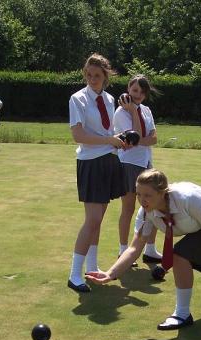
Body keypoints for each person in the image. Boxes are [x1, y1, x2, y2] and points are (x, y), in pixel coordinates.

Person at [86, 169, 201, 330]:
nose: (142, 201)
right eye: (138, 194)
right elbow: (135, 248)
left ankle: (182, 314)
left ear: (162, 193)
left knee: (179, 253)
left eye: (148, 195)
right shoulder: (147, 212)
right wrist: (110, 274)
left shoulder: (189, 199)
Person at [67, 53, 126, 293]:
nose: (92, 79)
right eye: (89, 75)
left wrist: (120, 139)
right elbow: (78, 136)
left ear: (106, 76)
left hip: (109, 159)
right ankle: (74, 274)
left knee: (98, 219)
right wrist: (108, 139)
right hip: (90, 162)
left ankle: (91, 266)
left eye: (97, 75)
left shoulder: (110, 99)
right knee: (92, 220)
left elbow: (110, 130)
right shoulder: (77, 99)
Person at [114, 75, 162, 265]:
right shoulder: (121, 112)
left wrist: (141, 138)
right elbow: (134, 138)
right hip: (128, 163)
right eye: (135, 91)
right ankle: (123, 251)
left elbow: (153, 138)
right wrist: (133, 111)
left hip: (146, 162)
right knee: (128, 208)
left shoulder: (147, 110)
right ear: (128, 89)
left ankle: (149, 249)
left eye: (142, 92)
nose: (139, 95)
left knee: (153, 206)